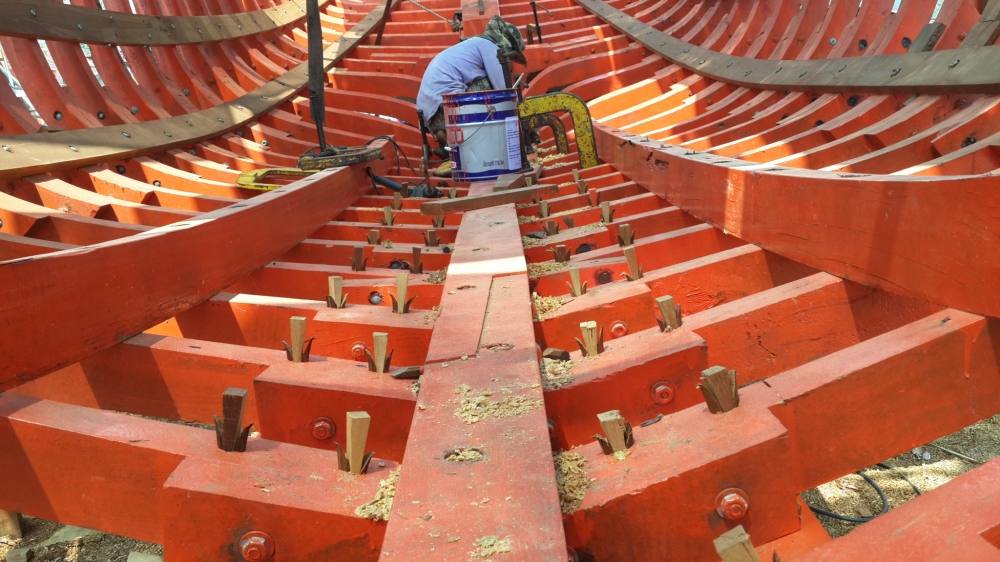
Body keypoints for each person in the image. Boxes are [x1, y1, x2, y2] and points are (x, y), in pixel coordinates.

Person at [416, 16, 527, 156]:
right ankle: (467, 138)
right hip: (446, 108)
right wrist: (522, 120)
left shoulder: (474, 44)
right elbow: (503, 90)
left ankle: (447, 140)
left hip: (431, 112)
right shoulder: (490, 47)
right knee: (490, 88)